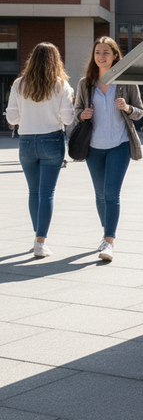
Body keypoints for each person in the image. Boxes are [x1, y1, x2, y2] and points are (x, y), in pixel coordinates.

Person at [75, 36, 143, 262]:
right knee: (100, 194)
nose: (101, 56)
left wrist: (127, 107)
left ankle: (108, 241)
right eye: (97, 52)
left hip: (120, 145)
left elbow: (140, 112)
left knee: (112, 194)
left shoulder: (126, 81)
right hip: (93, 147)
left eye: (106, 52)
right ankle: (108, 229)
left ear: (115, 56)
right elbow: (76, 111)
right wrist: (82, 115)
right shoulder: (85, 83)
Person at [6, 42, 75, 258]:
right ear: (56, 61)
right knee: (47, 193)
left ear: (32, 59)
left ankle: (37, 236)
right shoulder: (61, 85)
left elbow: (11, 118)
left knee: (33, 192)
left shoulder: (19, 84)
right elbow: (67, 118)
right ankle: (40, 241)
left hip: (26, 141)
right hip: (51, 140)